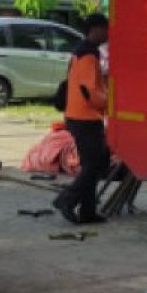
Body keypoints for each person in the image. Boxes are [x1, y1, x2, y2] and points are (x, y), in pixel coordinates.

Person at [52, 14, 110, 225]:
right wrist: (110, 102)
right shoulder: (87, 55)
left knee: (91, 165)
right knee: (94, 165)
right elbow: (91, 92)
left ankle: (88, 211)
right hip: (84, 117)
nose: (108, 33)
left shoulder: (82, 51)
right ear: (95, 30)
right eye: (105, 29)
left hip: (79, 116)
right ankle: (66, 199)